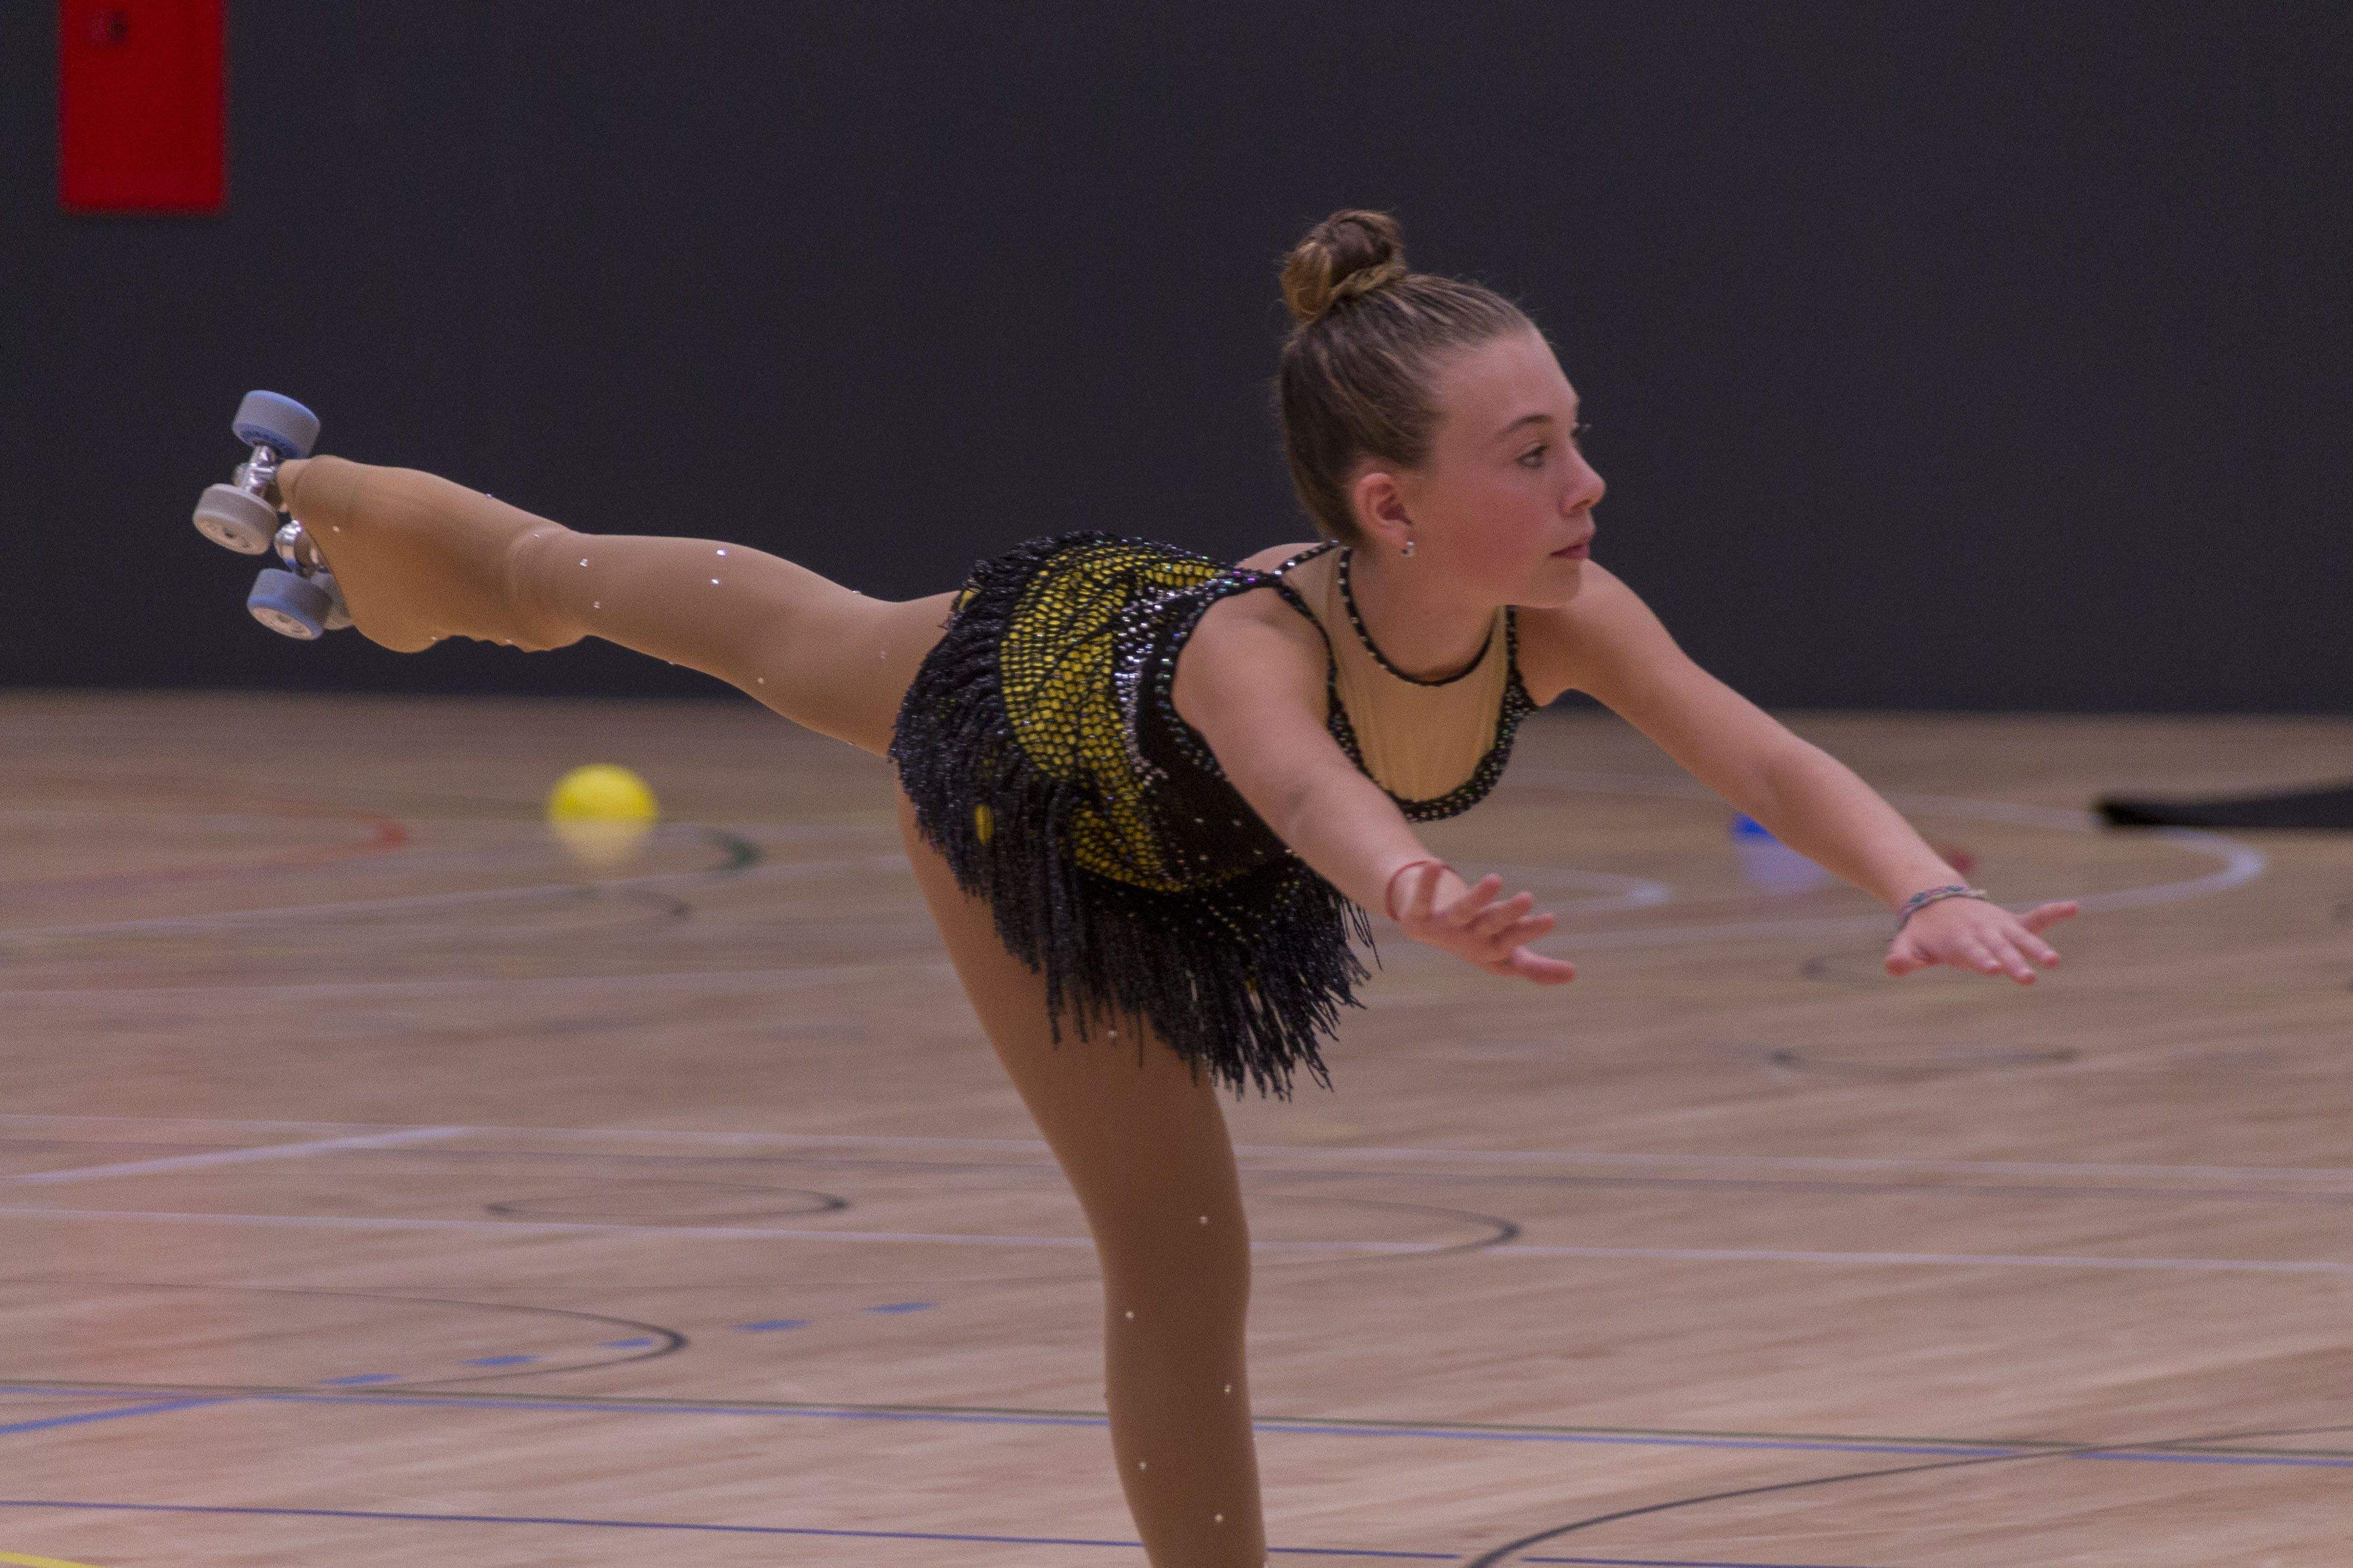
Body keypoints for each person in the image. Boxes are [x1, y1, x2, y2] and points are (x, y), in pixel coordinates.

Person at [255, 208, 2079, 1566]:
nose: (1587, 482)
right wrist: (1413, 881)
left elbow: (1757, 755)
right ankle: (339, 505)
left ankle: (375, 551)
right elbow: (1302, 792)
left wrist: (1915, 881)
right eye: (1532, 457)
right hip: (1023, 769)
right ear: (1388, 504)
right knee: (1173, 1236)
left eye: (1573, 434)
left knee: (1177, 1239)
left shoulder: (1560, 619)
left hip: (1179, 815)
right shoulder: (1255, 648)